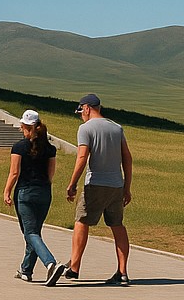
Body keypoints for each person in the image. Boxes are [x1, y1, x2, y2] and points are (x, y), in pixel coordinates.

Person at [57, 93, 134, 286]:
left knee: (81, 221)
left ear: (86, 108)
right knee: (117, 225)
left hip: (95, 184)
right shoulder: (117, 128)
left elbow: (82, 157)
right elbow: (127, 158)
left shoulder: (86, 128)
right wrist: (127, 187)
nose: (81, 115)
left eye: (81, 111)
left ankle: (74, 267)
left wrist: (72, 183)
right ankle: (122, 272)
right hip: (116, 185)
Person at [3, 109, 62, 285]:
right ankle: (26, 270)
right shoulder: (50, 148)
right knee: (34, 233)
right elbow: (51, 175)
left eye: (22, 127)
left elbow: (14, 173)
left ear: (25, 127)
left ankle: (51, 263)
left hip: (25, 193)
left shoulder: (19, 147)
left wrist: (6, 191)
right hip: (44, 193)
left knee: (30, 233)